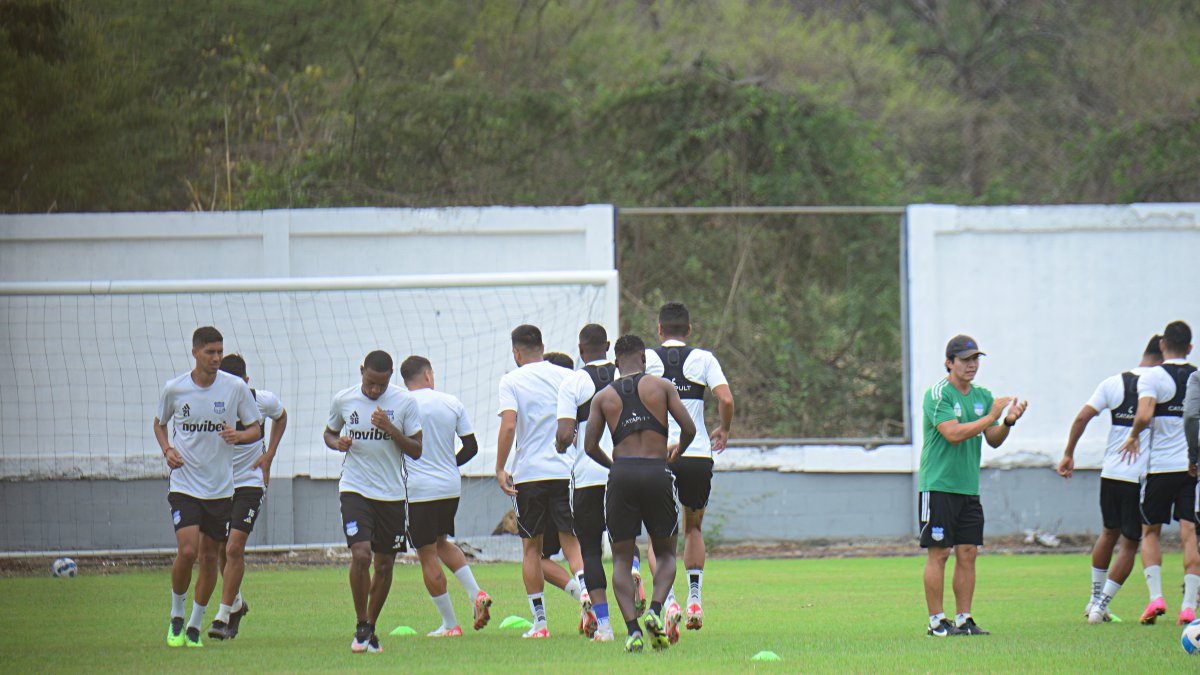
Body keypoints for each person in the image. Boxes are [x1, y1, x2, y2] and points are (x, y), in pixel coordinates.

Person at [584, 334, 696, 652]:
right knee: (665, 554)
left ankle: (632, 630)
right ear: (644, 360)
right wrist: (675, 453)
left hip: (622, 475)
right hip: (656, 472)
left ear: (616, 363)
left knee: (621, 558)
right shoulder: (662, 387)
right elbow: (688, 429)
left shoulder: (603, 397)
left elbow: (589, 446)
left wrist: (614, 466)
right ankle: (656, 611)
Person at [154, 326, 262, 649]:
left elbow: (255, 428)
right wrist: (167, 450)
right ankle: (176, 613)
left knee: (210, 557)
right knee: (187, 551)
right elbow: (160, 424)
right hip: (185, 483)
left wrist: (239, 436)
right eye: (210, 352)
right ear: (195, 352)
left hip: (220, 489)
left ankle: (195, 624)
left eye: (219, 352)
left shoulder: (234, 389)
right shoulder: (175, 389)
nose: (216, 358)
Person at [919, 334, 1027, 637]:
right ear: (949, 363)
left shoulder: (982, 395)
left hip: (968, 488)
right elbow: (952, 433)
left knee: (968, 552)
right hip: (938, 485)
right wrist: (992, 415)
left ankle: (964, 619)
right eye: (965, 360)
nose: (972, 365)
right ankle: (937, 622)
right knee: (939, 553)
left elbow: (991, 439)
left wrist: (1006, 422)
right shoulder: (938, 394)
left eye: (976, 359)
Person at [324, 350, 423, 654]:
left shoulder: (405, 402)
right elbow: (329, 433)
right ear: (361, 371)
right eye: (370, 383)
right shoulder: (344, 400)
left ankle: (370, 627)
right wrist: (338, 443)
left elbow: (416, 449)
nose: (375, 390)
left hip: (391, 495)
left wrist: (390, 428)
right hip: (355, 489)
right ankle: (361, 623)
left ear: (390, 377)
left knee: (384, 564)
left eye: (382, 384)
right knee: (361, 555)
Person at [1057, 336, 1161, 624]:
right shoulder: (1162, 385)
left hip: (1111, 472)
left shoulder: (1113, 382)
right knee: (1130, 543)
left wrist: (1068, 453)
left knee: (1108, 532)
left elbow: (1081, 418)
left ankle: (1093, 600)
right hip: (1138, 476)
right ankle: (1101, 606)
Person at [643, 302, 733, 632]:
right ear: (690, 330)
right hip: (696, 455)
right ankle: (695, 598)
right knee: (693, 527)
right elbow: (726, 399)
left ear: (660, 330)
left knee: (658, 538)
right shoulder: (704, 359)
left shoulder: (647, 360)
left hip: (659, 456)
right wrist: (723, 429)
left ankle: (669, 602)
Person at [495, 325, 583, 638]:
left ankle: (541, 623)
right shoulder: (565, 377)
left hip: (530, 474)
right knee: (571, 542)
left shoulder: (511, 380)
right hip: (565, 471)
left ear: (516, 353)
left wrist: (500, 467)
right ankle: (586, 593)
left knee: (532, 549)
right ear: (543, 348)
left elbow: (508, 427)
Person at [398, 355, 492, 637]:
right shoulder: (451, 402)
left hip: (420, 489)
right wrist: (449, 464)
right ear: (428, 375)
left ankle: (450, 625)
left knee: (427, 553)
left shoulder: (402, 405)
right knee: (441, 542)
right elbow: (471, 447)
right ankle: (476, 594)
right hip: (450, 486)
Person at [1119, 320, 1199, 625]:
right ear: (1190, 348)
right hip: (1191, 468)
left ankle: (1156, 598)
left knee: (1150, 531)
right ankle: (1189, 606)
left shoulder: (1153, 377)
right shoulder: (1197, 376)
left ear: (1162, 345)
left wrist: (1133, 435)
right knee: (1189, 533)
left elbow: (1144, 414)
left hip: (1159, 468)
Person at [207, 354, 288, 640]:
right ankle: (237, 604)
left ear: (246, 382)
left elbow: (281, 415)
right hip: (218, 485)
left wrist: (269, 455)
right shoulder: (212, 404)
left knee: (233, 549)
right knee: (220, 550)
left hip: (250, 483)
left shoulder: (262, 400)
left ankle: (222, 615)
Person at [556, 324, 618, 642]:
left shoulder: (574, 381)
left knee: (591, 551)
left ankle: (604, 627)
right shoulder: (625, 376)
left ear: (581, 350)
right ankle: (635, 577)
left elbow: (565, 435)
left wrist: (559, 443)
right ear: (607, 346)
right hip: (623, 475)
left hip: (588, 478)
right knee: (624, 545)